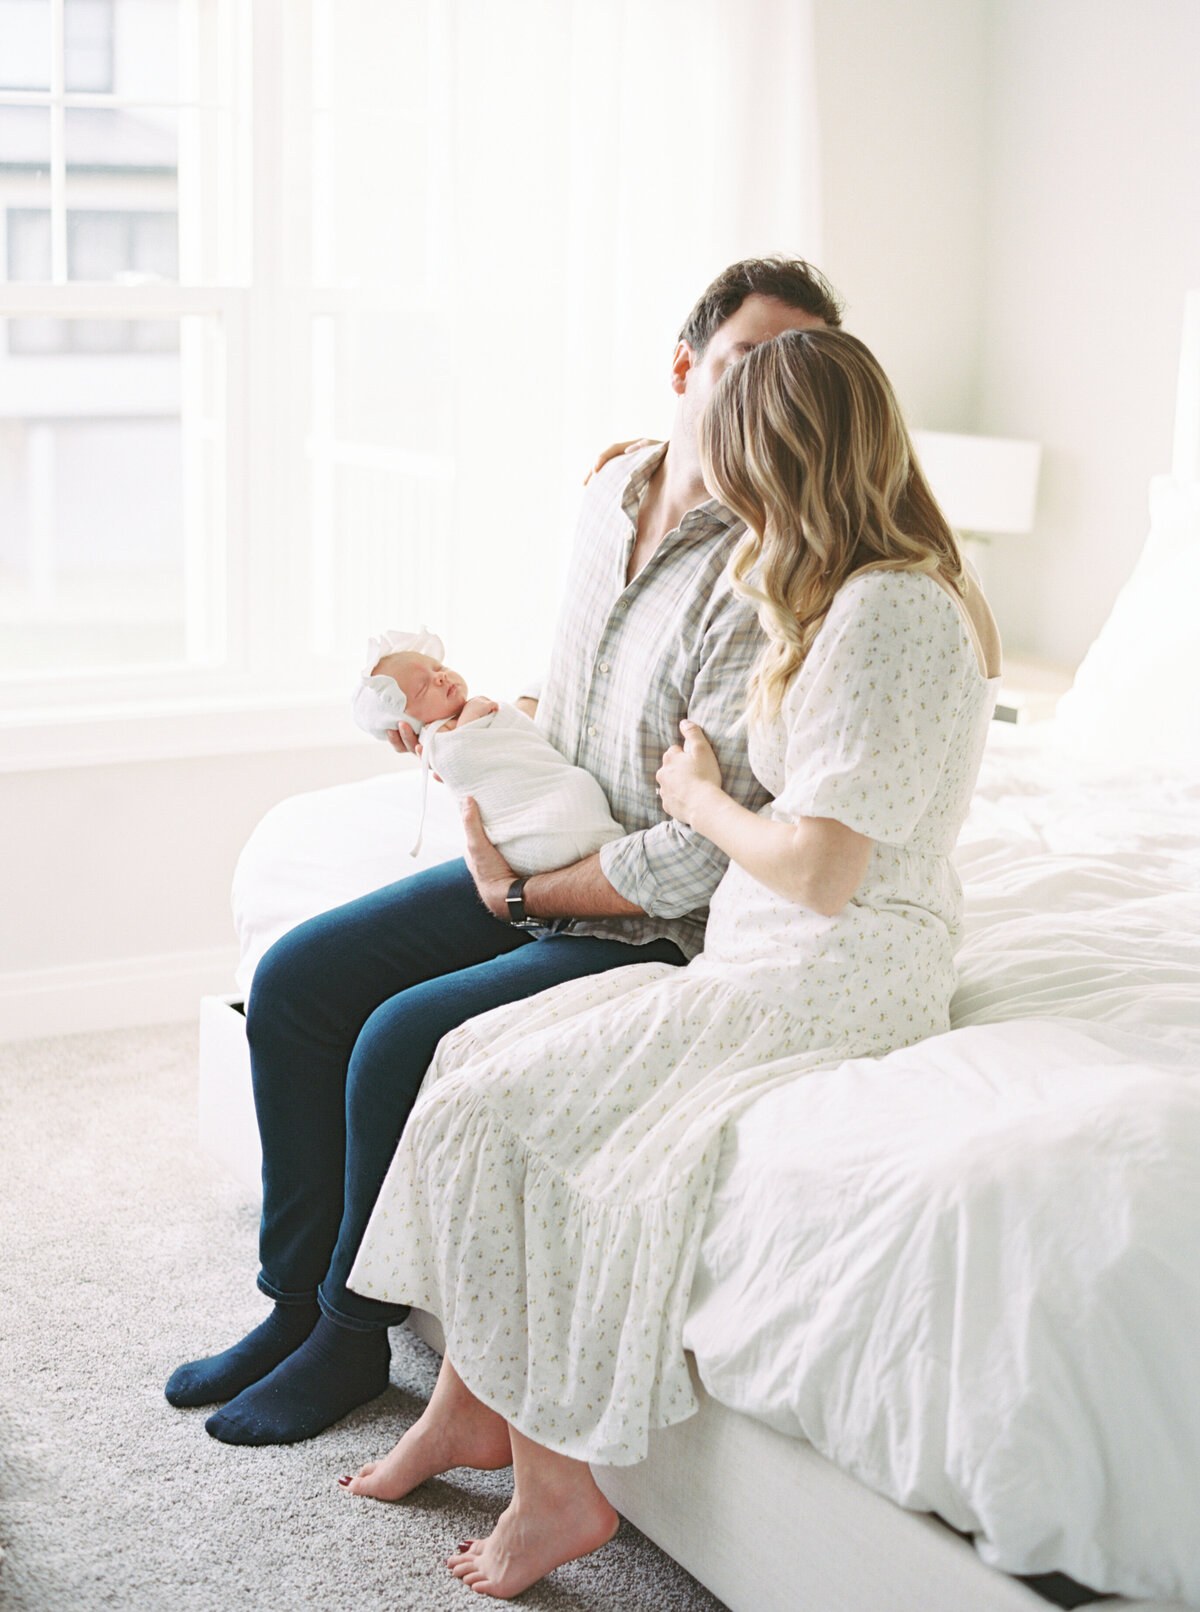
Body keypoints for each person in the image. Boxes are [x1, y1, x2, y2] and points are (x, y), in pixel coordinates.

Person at [337, 327, 1001, 1599]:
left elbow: (819, 868)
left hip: (829, 967)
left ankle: (556, 1488)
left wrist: (694, 798)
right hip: (772, 950)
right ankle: (472, 1411)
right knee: (471, 1059)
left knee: (513, 1116)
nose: (720, 490)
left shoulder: (893, 610)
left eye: (734, 461)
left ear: (788, 460)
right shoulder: (847, 589)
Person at [163, 255, 844, 1445]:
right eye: (743, 365)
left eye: (794, 375)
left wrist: (526, 887)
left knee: (397, 1041)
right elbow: (581, 696)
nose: (760, 402)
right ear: (686, 369)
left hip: (643, 915)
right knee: (297, 983)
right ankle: (287, 1300)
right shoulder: (611, 489)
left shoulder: (767, 574)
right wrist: (480, 740)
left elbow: (694, 860)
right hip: (533, 853)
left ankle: (345, 1330)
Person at [351, 629, 625, 871]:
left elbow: (523, 750)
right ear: (408, 721)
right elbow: (460, 755)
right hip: (527, 824)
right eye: (423, 688)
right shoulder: (439, 739)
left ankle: (592, 836)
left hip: (556, 790)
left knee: (577, 784)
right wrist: (471, 717)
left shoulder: (470, 714)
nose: (440, 678)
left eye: (438, 667)